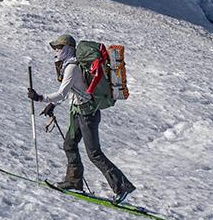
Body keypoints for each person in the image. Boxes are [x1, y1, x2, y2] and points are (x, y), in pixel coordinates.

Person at [29, 32, 134, 202]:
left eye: (59, 47)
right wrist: (52, 105)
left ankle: (122, 186)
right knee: (69, 144)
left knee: (94, 153)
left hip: (87, 114)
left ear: (68, 49)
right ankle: (73, 181)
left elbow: (62, 93)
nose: (57, 50)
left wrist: (40, 98)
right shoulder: (69, 65)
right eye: (56, 48)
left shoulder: (72, 67)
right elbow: (72, 91)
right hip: (78, 111)